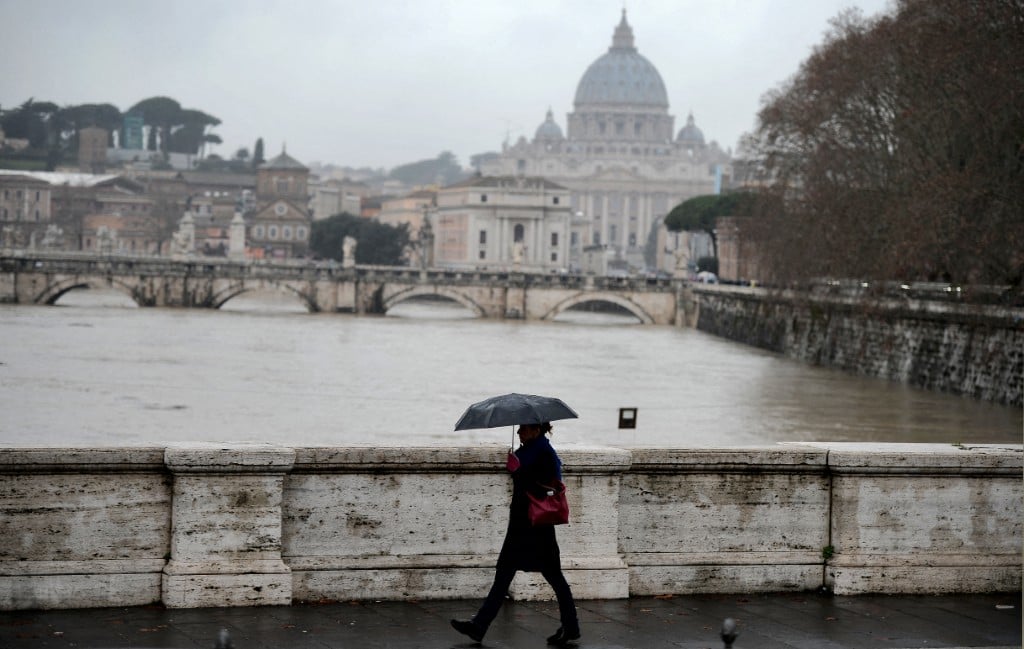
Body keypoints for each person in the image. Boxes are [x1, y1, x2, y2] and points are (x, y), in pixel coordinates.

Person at [451, 422, 580, 646]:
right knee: (505, 574)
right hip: (522, 523)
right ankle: (479, 626)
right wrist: (516, 466)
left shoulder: (545, 453)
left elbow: (543, 485)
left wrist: (517, 470)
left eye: (524, 428)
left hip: (535, 526)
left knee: (553, 576)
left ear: (536, 430)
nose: (519, 432)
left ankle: (570, 626)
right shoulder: (528, 451)